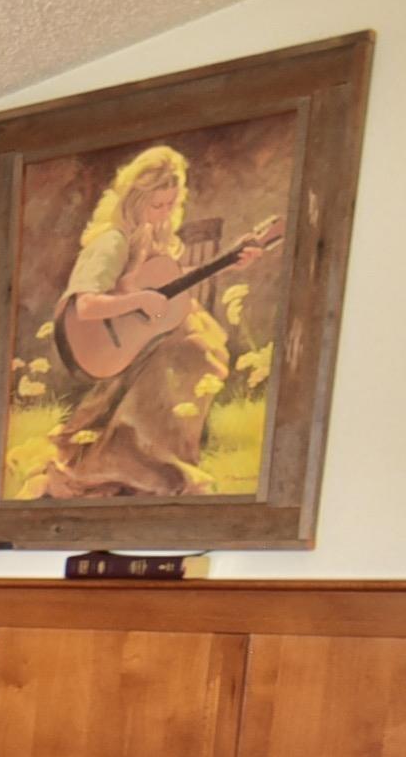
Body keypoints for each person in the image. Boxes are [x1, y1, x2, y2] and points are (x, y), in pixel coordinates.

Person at [29, 144, 280, 499]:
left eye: (170, 205)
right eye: (155, 205)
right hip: (105, 339)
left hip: (138, 337)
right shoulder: (112, 241)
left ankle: (166, 457)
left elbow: (162, 286)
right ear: (134, 199)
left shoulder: (152, 234)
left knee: (200, 347)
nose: (163, 213)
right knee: (192, 352)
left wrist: (229, 262)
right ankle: (139, 462)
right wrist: (139, 300)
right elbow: (84, 306)